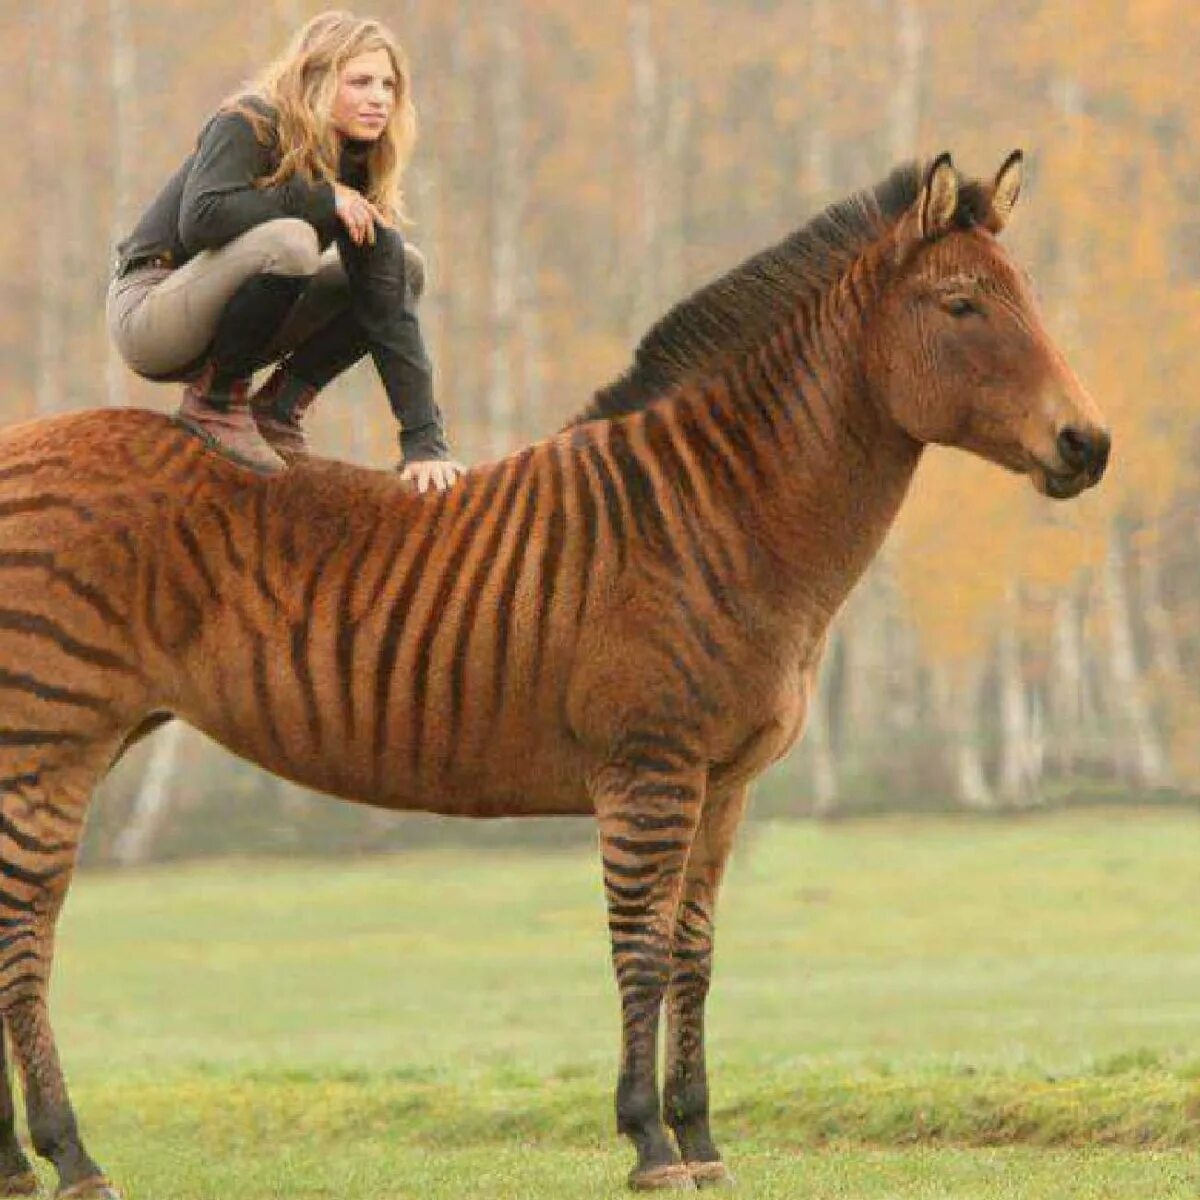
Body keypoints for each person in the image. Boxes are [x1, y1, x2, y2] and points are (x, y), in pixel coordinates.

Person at [107, 10, 464, 489]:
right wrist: (320, 199)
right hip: (153, 308)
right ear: (315, 80)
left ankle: (278, 408)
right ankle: (214, 402)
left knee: (403, 267)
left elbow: (387, 310)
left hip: (235, 322)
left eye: (388, 85)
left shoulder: (358, 159)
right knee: (291, 242)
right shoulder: (251, 119)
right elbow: (201, 221)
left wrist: (424, 442)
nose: (379, 99)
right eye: (360, 82)